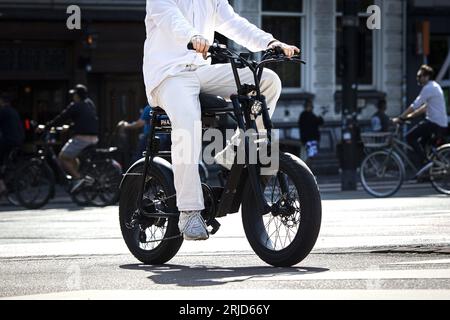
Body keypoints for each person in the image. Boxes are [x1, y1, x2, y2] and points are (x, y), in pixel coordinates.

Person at [144, 0, 299, 240]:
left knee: (267, 82)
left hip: (200, 70)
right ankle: (189, 211)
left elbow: (235, 23)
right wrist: (194, 36)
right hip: (168, 74)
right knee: (187, 122)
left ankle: (233, 152)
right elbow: (172, 20)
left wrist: (270, 42)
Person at [44, 84, 99, 193]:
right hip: (94, 138)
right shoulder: (90, 104)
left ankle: (78, 178)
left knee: (62, 157)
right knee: (72, 157)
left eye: (74, 94)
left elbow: (61, 117)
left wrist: (46, 127)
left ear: (77, 96)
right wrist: (71, 127)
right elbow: (85, 121)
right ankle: (78, 178)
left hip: (82, 139)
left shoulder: (76, 105)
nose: (73, 96)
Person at [393, 65, 448, 166]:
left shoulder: (428, 88)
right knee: (422, 144)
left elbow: (415, 105)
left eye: (420, 76)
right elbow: (424, 108)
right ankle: (426, 170)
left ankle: (426, 163)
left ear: (427, 77)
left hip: (433, 123)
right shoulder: (434, 86)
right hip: (439, 123)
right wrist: (408, 117)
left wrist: (401, 117)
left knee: (409, 137)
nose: (417, 78)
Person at [0, 93, 25, 195]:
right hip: (18, 140)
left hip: (8, 141)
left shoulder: (3, 111)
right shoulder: (14, 111)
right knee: (6, 162)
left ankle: (2, 186)